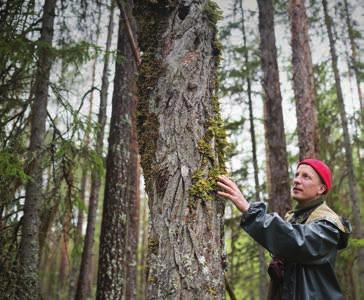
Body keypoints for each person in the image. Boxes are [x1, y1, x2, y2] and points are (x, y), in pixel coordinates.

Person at [217, 158, 351, 300]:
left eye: (306, 177)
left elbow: (298, 241)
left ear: (321, 189)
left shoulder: (329, 226)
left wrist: (250, 210)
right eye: (297, 175)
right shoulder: (295, 219)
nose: (297, 180)